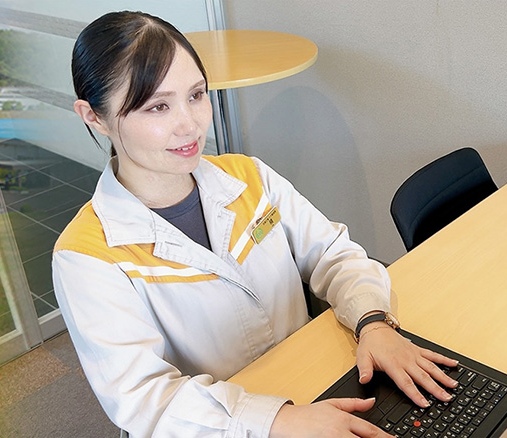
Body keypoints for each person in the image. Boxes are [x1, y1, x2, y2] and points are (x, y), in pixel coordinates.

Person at [53, 10, 459, 438]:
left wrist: (373, 321)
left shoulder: (248, 177)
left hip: (314, 385)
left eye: (196, 95)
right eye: (158, 106)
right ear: (94, 116)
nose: (190, 124)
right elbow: (145, 398)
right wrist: (276, 420)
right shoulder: (86, 255)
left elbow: (332, 253)